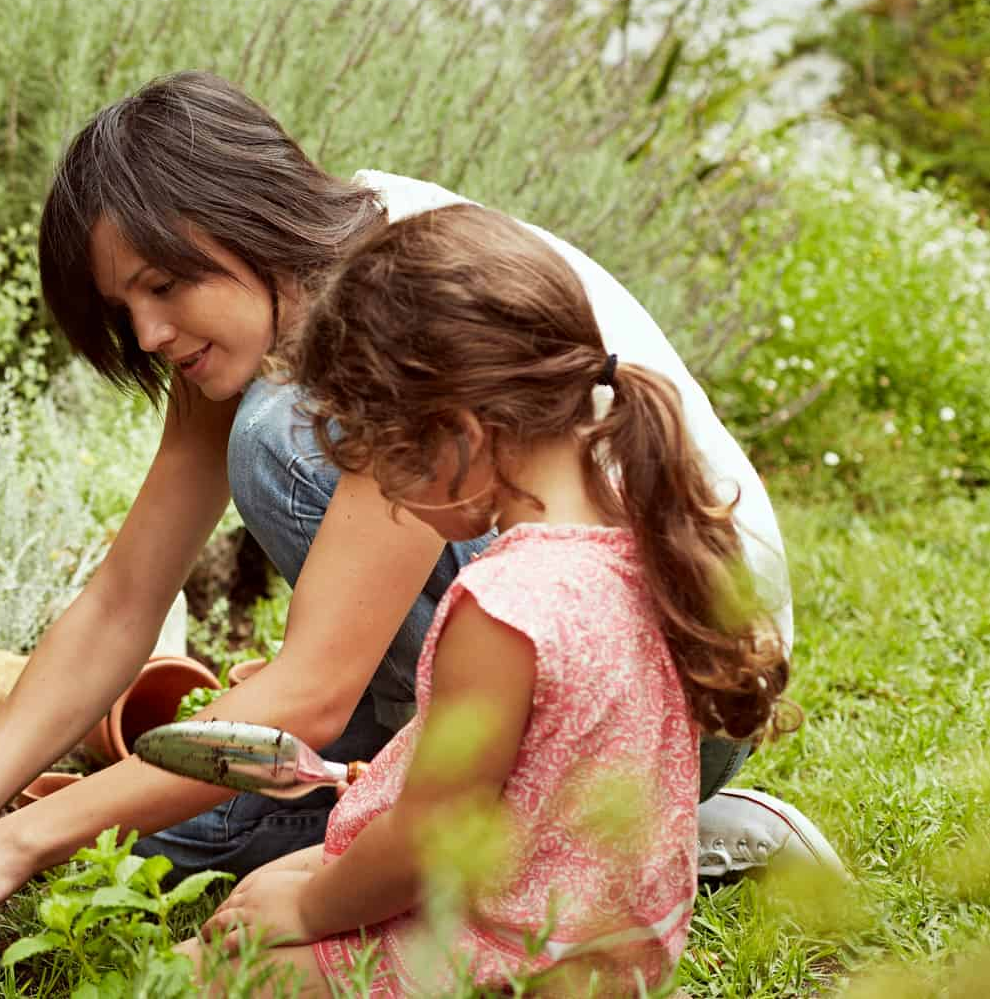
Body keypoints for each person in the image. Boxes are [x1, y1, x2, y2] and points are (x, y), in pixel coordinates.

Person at [0, 72, 828, 995]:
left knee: (278, 442)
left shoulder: (400, 305)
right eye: (121, 306)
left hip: (667, 702)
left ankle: (657, 837)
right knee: (168, 855)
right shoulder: (279, 288)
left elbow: (310, 695)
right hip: (598, 670)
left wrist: (15, 843)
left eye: (162, 283)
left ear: (240, 223)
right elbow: (125, 596)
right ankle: (574, 833)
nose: (145, 333)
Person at [174, 199, 799, 995]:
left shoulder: (503, 608)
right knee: (283, 883)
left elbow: (427, 839)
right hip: (609, 943)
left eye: (387, 463)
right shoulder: (644, 536)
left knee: (193, 972)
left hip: (508, 957)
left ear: (461, 436)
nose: (392, 502)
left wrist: (308, 912)